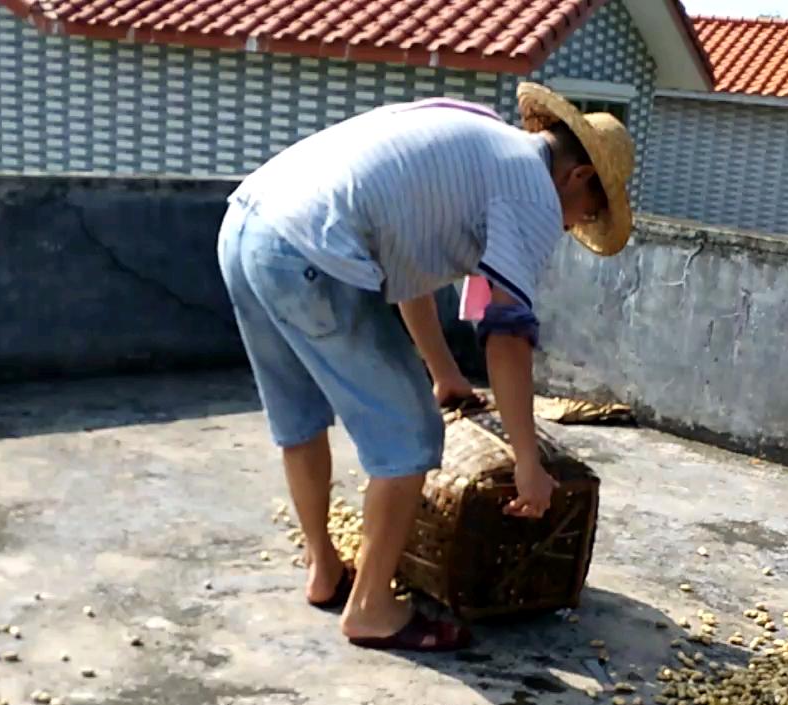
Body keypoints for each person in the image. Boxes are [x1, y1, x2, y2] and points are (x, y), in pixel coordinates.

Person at [217, 83, 634, 653]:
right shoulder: (533, 193)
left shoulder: (478, 138)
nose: (573, 226)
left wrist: (443, 375)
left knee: (301, 417)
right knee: (410, 437)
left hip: (248, 225)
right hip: (311, 253)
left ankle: (324, 570)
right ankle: (370, 609)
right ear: (578, 178)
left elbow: (407, 274)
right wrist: (529, 464)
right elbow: (508, 335)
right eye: (588, 212)